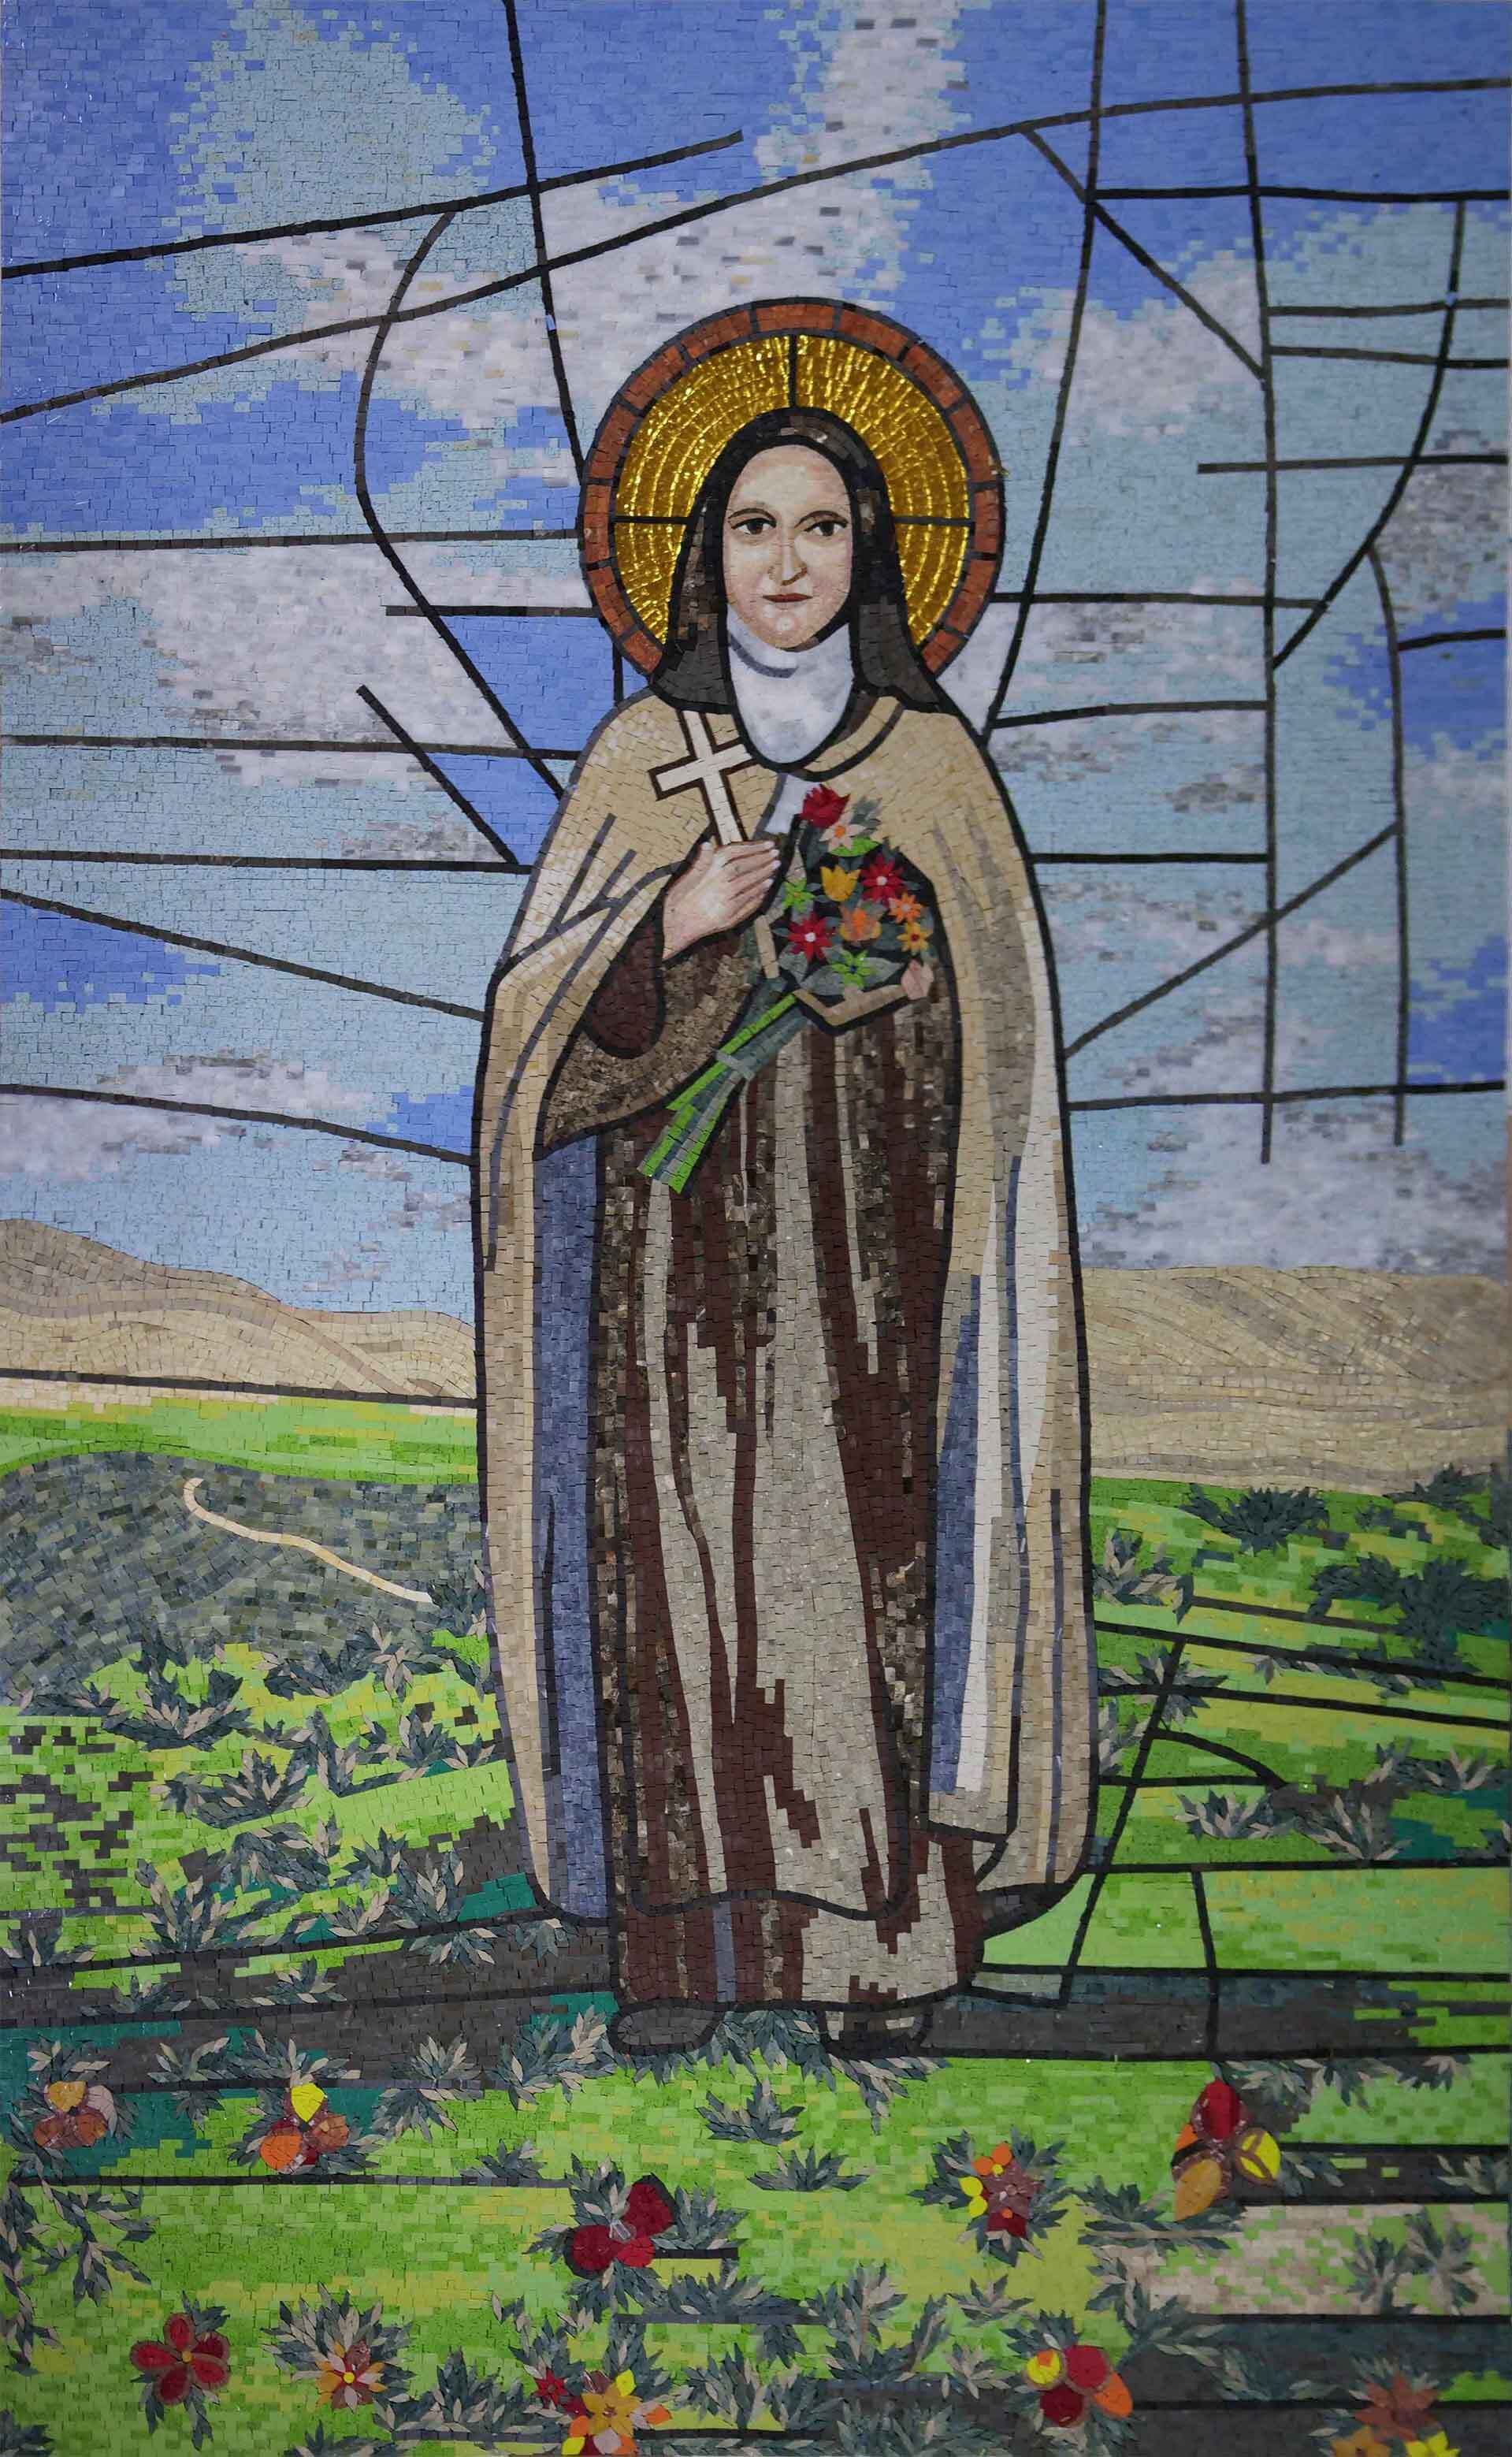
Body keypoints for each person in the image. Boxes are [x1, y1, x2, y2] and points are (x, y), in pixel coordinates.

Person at [474, 401, 1094, 2054]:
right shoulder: (638, 762)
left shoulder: (932, 768)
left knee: (859, 1597)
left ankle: (880, 1966)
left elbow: (1001, 1052)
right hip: (667, 1294)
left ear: (872, 552)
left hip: (872, 1282)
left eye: (823, 527)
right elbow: (532, 1044)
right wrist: (669, 926)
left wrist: (878, 975)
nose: (789, 562)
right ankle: (689, 1964)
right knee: (684, 1605)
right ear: (703, 555)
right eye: (756, 526)